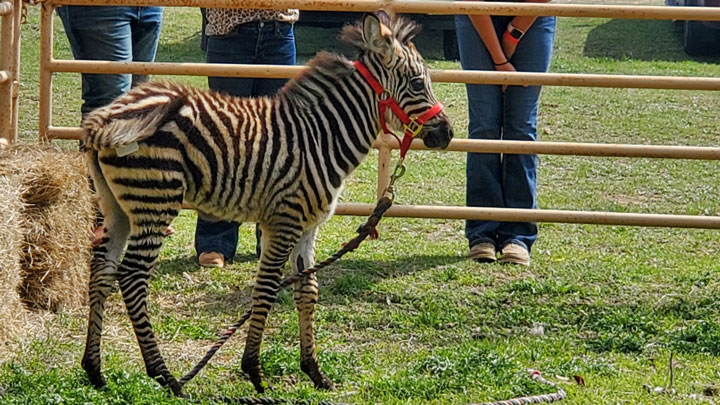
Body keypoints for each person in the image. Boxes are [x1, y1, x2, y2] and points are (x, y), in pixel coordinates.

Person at [57, 5, 170, 246]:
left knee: (133, 106)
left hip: (149, 6)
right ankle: (100, 216)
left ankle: (129, 208)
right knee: (111, 103)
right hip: (99, 7)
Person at [455, 0, 556, 266]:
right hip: (477, 16)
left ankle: (518, 235)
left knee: (521, 127)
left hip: (533, 16)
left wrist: (512, 35)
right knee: (483, 126)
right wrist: (500, 60)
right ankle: (481, 233)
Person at [196, 7, 298, 268]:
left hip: (279, 26)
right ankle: (215, 240)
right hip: (229, 28)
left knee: (276, 139)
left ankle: (273, 238)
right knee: (225, 138)